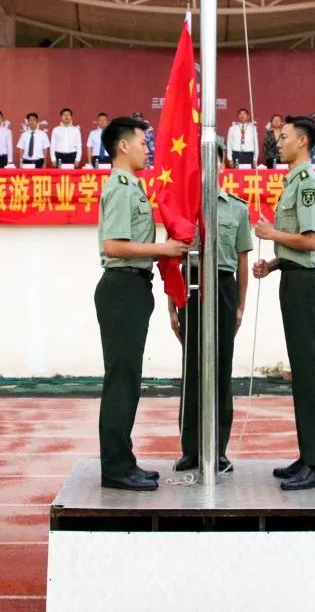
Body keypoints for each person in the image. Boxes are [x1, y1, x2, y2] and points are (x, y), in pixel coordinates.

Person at [95, 116, 190, 491]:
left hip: (132, 287)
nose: (147, 149)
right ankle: (115, 467)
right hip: (122, 287)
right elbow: (114, 246)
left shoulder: (132, 186)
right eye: (142, 142)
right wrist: (163, 249)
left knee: (128, 379)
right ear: (122, 146)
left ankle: (123, 461)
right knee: (122, 379)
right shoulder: (121, 189)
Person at [253, 115, 315, 490]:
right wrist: (272, 264)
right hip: (293, 277)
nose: (278, 142)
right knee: (301, 374)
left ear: (302, 141)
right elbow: (296, 247)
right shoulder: (291, 183)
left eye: (284, 136)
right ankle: (308, 455)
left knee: (310, 373)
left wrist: (272, 234)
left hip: (306, 284)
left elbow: (311, 241)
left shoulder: (307, 185)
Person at [169, 142, 252, 473]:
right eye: (201, 162)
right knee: (192, 368)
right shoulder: (184, 207)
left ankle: (218, 450)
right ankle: (190, 449)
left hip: (223, 286)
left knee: (220, 370)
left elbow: (242, 261)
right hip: (191, 285)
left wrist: (240, 306)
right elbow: (174, 259)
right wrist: (172, 306)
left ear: (222, 166)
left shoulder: (237, 209)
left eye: (213, 161)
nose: (208, 168)